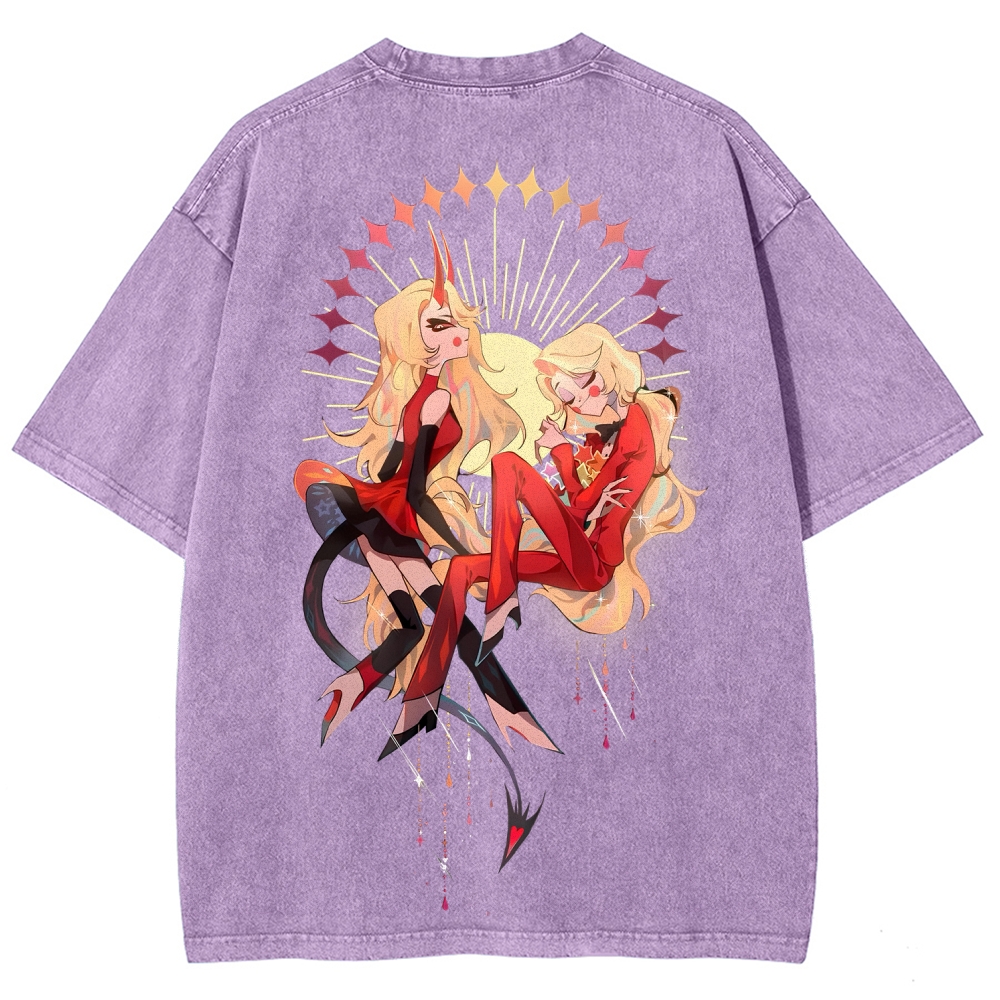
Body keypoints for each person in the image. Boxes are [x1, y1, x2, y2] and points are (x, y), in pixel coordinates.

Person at [383, 324, 703, 757]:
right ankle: (423, 696)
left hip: (593, 562)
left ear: (606, 370)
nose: (579, 403)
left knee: (508, 466)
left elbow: (583, 504)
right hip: (577, 555)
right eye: (567, 397)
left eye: (581, 385)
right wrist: (575, 472)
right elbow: (580, 505)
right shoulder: (605, 437)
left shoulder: (637, 423)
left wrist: (563, 456)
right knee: (459, 570)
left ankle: (501, 596)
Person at [293, 227, 527, 745]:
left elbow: (392, 470)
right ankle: (508, 710)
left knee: (413, 628)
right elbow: (414, 488)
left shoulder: (421, 394)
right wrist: (462, 547)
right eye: (438, 324)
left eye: (455, 321)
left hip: (379, 516)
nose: (455, 331)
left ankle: (351, 686)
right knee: (447, 617)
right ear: (414, 337)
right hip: (392, 519)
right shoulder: (434, 400)